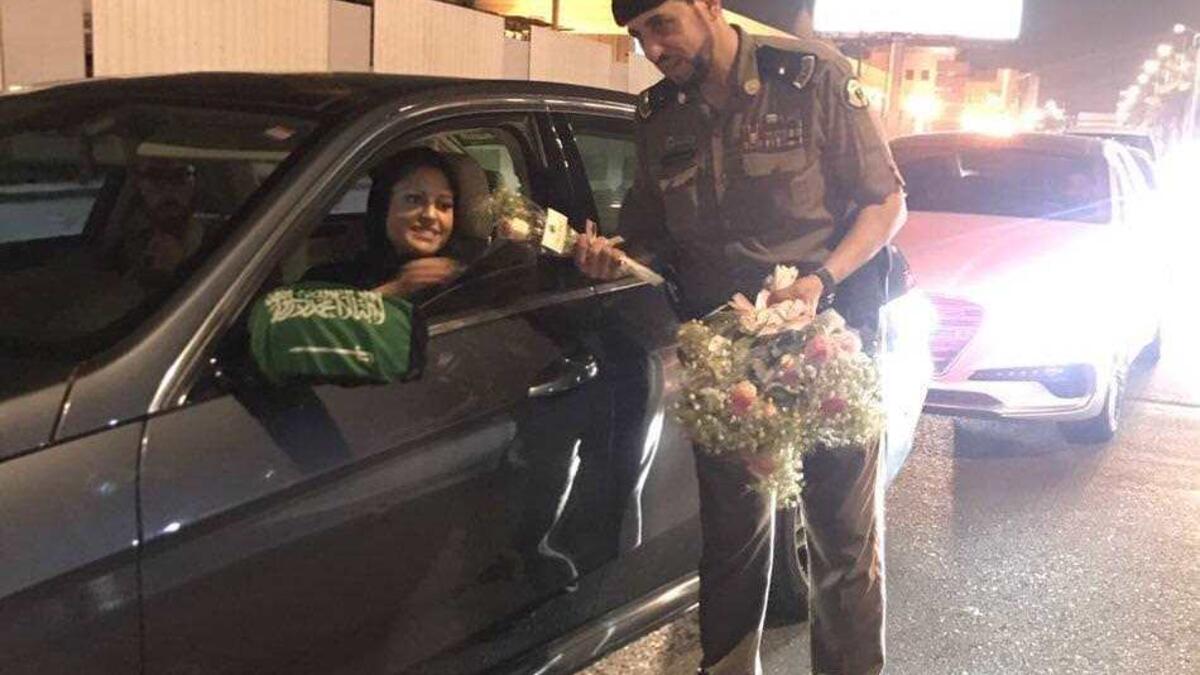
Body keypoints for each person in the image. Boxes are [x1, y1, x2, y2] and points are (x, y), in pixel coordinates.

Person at [576, 2, 908, 673]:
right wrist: (613, 254)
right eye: (637, 36)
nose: (652, 47)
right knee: (732, 547)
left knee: (842, 549)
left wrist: (820, 278)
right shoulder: (658, 117)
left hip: (825, 347)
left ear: (707, 5)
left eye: (662, 24)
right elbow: (651, 235)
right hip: (730, 361)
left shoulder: (811, 78)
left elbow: (886, 200)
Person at [311, 147, 465, 300]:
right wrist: (395, 289)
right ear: (382, 206)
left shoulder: (466, 284)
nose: (430, 215)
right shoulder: (329, 279)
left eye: (444, 205)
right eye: (414, 199)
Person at [118, 156, 205, 288]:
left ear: (195, 184)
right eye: (154, 176)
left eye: (179, 176)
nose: (168, 187)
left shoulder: (229, 237)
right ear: (138, 185)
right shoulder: (123, 249)